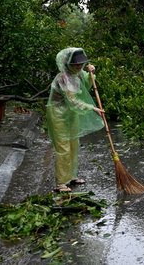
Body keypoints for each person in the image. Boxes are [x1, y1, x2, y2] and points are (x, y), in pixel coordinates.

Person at [46, 48, 105, 193]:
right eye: (75, 64)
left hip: (71, 114)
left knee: (74, 144)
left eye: (81, 64)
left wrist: (92, 74)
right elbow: (72, 100)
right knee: (63, 147)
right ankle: (61, 183)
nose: (79, 67)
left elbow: (86, 86)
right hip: (58, 113)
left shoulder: (78, 75)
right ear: (68, 64)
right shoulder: (62, 78)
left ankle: (71, 176)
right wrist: (92, 108)